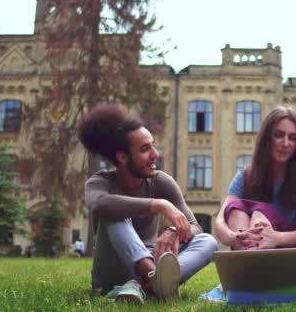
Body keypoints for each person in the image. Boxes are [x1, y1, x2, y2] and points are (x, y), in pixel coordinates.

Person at [79, 104, 218, 303]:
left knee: (208, 241)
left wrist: (173, 231)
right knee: (114, 214)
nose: (155, 154)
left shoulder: (161, 181)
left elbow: (193, 225)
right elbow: (101, 205)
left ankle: (149, 283)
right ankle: (155, 279)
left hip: (153, 257)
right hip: (111, 273)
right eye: (145, 149)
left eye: (153, 145)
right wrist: (157, 204)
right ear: (122, 157)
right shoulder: (100, 182)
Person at [214, 105, 296, 250]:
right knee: (235, 208)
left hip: (293, 255)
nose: (285, 143)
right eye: (278, 135)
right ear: (266, 138)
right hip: (254, 249)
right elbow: (220, 221)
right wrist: (234, 237)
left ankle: (252, 260)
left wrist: (275, 238)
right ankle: (251, 256)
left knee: (259, 212)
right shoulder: (245, 176)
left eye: (293, 138)